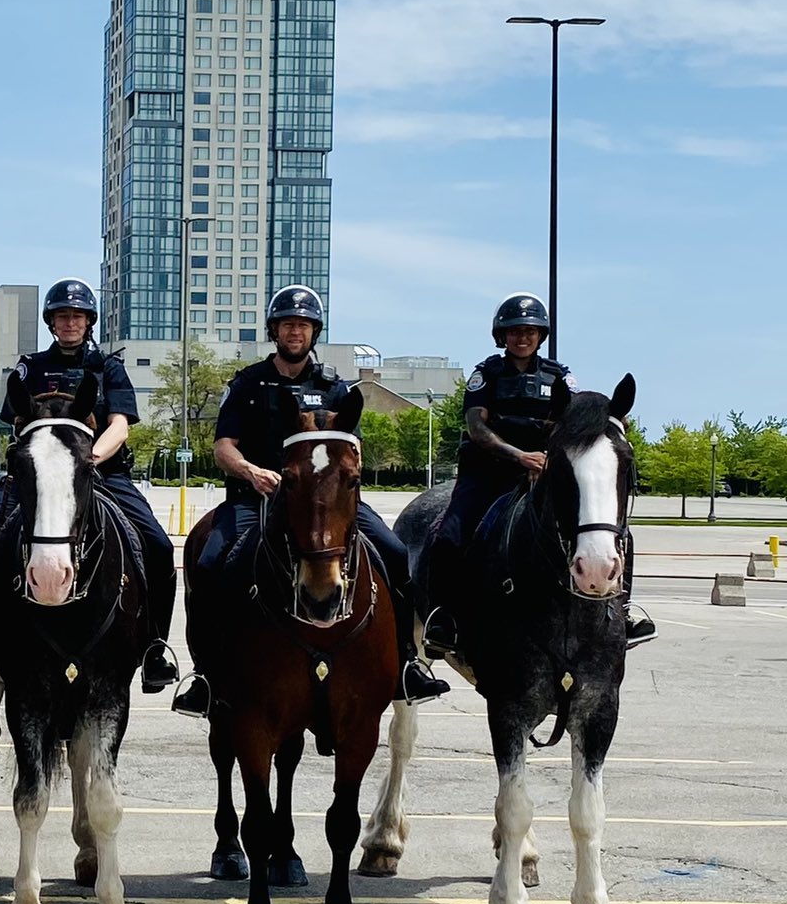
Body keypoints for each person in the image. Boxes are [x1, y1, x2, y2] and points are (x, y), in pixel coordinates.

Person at [172, 285, 451, 717]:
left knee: (395, 554)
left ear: (314, 332)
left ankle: (406, 664)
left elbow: (350, 451)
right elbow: (223, 447)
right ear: (274, 331)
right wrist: (251, 471)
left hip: (324, 501)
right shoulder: (247, 384)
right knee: (210, 561)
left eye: (302, 325)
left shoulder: (335, 388)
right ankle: (206, 675)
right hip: (257, 496)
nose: (294, 332)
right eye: (287, 325)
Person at [0, 278, 178, 692]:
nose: (69, 322)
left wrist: (86, 462)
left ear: (89, 321)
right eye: (61, 316)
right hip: (37, 477)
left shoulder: (108, 367)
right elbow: (18, 423)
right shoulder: (30, 366)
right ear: (51, 322)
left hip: (100, 474)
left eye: (77, 316)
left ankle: (156, 645)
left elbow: (120, 426)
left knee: (157, 545)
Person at [427, 292, 655, 652]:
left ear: (541, 335)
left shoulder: (560, 377)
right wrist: (521, 457)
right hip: (489, 473)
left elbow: (576, 422)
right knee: (449, 536)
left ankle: (621, 612)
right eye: (514, 331)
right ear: (502, 336)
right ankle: (442, 617)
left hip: (544, 472)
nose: (522, 337)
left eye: (530, 331)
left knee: (614, 535)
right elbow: (477, 429)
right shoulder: (485, 374)